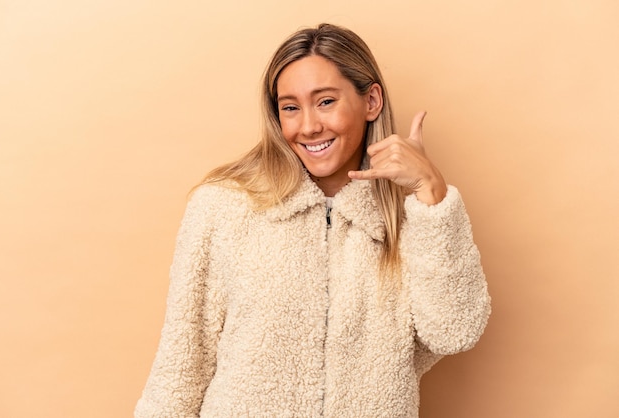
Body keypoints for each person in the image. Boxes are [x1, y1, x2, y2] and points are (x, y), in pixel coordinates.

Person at [135, 23, 490, 418]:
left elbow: (455, 330)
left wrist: (430, 190)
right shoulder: (224, 207)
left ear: (371, 101)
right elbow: (182, 362)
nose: (307, 126)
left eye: (325, 102)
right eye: (290, 107)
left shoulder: (414, 219)